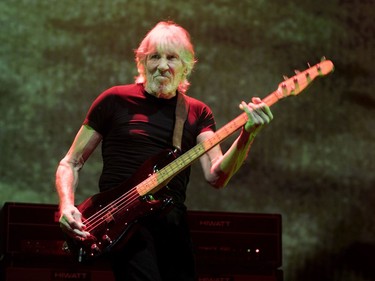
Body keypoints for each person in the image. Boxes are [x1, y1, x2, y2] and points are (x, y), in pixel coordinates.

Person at [56, 21, 273, 281]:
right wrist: (67, 205)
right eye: (154, 57)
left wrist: (247, 134)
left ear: (186, 66)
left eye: (171, 58)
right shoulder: (113, 100)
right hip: (120, 222)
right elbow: (71, 162)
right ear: (142, 62)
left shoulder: (196, 112)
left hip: (171, 225)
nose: (161, 66)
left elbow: (216, 175)